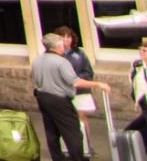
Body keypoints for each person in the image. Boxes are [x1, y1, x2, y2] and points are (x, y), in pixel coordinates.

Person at [33, 31, 111, 160]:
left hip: (42, 97)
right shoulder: (61, 62)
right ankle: (77, 158)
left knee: (51, 131)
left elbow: (36, 80)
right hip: (59, 99)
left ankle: (57, 158)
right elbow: (75, 82)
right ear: (57, 46)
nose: (64, 46)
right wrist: (98, 84)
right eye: (62, 44)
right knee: (73, 132)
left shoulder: (38, 60)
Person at [55, 27, 93, 158]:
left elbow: (88, 72)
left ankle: (86, 147)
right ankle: (67, 148)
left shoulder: (79, 53)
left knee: (81, 117)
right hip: (62, 93)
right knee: (65, 120)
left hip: (80, 91)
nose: (66, 40)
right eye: (63, 37)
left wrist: (75, 79)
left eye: (69, 37)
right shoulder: (54, 54)